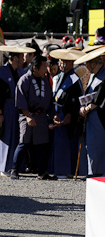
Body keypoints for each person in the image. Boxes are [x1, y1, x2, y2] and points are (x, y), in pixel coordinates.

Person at [0, 45, 32, 177]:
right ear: (14, 58)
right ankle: (2, 166)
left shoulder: (20, 72)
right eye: (20, 57)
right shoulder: (1, 72)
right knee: (4, 136)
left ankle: (13, 166)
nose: (22, 59)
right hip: (5, 108)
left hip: (16, 109)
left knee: (16, 137)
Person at [9, 54, 53, 180]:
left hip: (41, 116)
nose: (46, 69)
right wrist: (28, 116)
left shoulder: (45, 80)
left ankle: (42, 172)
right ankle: (15, 170)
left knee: (42, 145)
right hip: (27, 115)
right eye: (44, 67)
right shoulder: (24, 80)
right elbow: (20, 101)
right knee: (23, 143)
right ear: (35, 68)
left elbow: (49, 100)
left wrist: (53, 114)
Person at [48, 48, 85, 178]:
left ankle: (65, 170)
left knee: (65, 144)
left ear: (71, 63)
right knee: (56, 143)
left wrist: (70, 114)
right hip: (57, 112)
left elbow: (77, 99)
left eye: (65, 62)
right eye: (61, 62)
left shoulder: (74, 79)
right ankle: (56, 169)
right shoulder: (58, 76)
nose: (62, 65)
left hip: (67, 114)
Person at [75, 45, 105, 176]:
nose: (87, 67)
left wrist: (86, 108)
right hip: (91, 115)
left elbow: (99, 98)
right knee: (90, 145)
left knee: (96, 145)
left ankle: (97, 172)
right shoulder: (94, 75)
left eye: (89, 63)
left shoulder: (103, 76)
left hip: (99, 116)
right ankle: (91, 171)